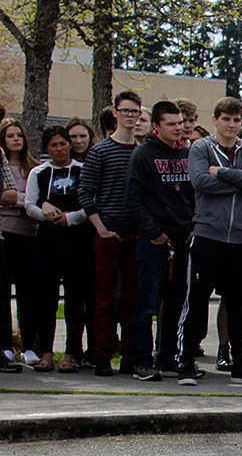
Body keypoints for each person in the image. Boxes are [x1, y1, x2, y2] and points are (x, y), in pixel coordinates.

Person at [177, 97, 242, 386]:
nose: (231, 125)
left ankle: (241, 364)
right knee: (197, 301)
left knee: (238, 304)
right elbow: (200, 182)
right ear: (215, 119)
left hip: (241, 239)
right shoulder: (201, 148)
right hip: (208, 235)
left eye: (236, 120)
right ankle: (186, 362)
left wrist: (225, 174)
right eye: (226, 119)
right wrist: (240, 179)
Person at [124, 100, 193, 381]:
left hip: (183, 239)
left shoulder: (188, 154)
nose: (178, 128)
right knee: (147, 303)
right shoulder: (143, 155)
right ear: (156, 126)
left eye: (180, 123)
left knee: (176, 302)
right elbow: (134, 199)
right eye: (171, 124)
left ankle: (168, 357)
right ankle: (142, 361)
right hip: (153, 240)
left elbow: (194, 194)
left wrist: (191, 225)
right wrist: (153, 233)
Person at [79, 90, 142, 377]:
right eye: (125, 111)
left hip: (137, 234)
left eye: (135, 111)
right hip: (107, 233)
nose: (131, 116)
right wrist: (101, 228)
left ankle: (130, 353)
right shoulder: (100, 151)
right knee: (103, 298)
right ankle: (102, 354)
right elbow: (86, 192)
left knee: (132, 299)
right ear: (115, 113)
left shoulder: (143, 151)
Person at [25, 126, 91, 372]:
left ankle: (72, 352)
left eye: (63, 143)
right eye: (54, 145)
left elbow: (91, 204)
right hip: (47, 240)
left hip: (77, 241)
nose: (60, 149)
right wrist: (45, 212)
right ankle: (46, 351)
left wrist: (71, 218)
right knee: (46, 298)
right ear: (47, 148)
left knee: (75, 299)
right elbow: (29, 204)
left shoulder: (83, 171)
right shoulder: (38, 173)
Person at [1, 118, 40, 366]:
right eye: (9, 135)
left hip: (29, 234)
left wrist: (16, 199)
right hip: (4, 234)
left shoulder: (34, 168)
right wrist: (20, 201)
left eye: (19, 135)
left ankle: (29, 347)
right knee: (3, 292)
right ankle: (5, 346)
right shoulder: (1, 166)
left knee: (29, 293)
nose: (15, 139)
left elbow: (29, 199)